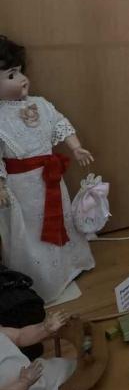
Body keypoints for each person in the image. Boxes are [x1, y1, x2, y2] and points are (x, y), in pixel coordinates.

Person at [0, 36, 96, 304]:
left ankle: (68, 266)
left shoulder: (41, 104)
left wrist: (76, 147)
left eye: (20, 72)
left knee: (61, 218)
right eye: (11, 75)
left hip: (50, 179)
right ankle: (40, 280)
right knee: (29, 231)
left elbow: (60, 123)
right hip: (21, 188)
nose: (22, 79)